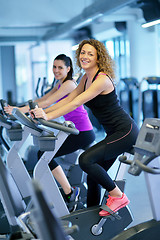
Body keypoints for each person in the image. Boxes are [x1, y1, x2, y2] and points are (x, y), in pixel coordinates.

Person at [30, 40, 139, 217]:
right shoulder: (85, 78)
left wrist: (48, 116)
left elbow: (76, 102)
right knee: (93, 176)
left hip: (125, 131)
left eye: (90, 54)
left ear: (98, 58)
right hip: (114, 132)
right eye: (83, 53)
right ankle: (91, 217)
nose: (85, 57)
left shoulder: (102, 79)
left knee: (86, 160)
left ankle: (118, 196)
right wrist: (42, 112)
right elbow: (67, 98)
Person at [4, 54, 95, 212]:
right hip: (75, 131)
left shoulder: (69, 84)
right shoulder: (59, 83)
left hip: (82, 132)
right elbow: (42, 98)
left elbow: (46, 103)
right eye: (54, 67)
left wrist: (17, 110)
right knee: (43, 154)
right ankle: (68, 192)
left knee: (45, 155)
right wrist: (17, 108)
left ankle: (71, 193)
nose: (56, 70)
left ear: (68, 69)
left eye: (60, 67)